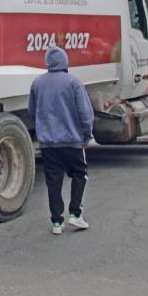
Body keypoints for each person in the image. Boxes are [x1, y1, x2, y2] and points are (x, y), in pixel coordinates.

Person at [28, 46, 95, 235]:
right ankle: (75, 214)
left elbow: (32, 111)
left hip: (48, 142)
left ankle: (57, 222)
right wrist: (86, 135)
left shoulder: (37, 83)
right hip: (72, 140)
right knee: (80, 174)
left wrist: (43, 128)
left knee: (53, 182)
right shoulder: (73, 82)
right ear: (65, 61)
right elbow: (84, 113)